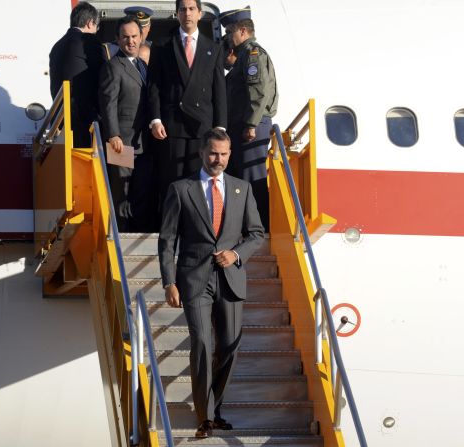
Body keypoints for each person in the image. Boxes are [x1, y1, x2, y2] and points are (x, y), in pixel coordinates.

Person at [158, 129, 264, 438]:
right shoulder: (181, 189)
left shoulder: (242, 189)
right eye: (214, 153)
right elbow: (167, 241)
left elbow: (256, 233)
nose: (219, 160)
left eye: (224, 154)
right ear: (202, 152)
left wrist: (235, 254)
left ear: (230, 155)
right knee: (203, 342)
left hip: (230, 279)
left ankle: (215, 407)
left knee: (230, 344)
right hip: (194, 280)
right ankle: (205, 417)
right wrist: (169, 281)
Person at [148, 0, 227, 209]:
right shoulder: (162, 45)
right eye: (183, 9)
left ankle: (195, 230)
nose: (187, 13)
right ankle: (170, 229)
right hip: (171, 125)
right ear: (177, 14)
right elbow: (154, 85)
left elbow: (219, 89)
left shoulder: (213, 48)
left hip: (202, 127)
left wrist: (220, 126)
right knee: (171, 182)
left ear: (200, 14)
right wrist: (155, 119)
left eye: (192, 9)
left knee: (198, 184)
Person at [220, 6, 278, 230]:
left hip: (251, 125)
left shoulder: (253, 54)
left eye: (230, 31)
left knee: (253, 179)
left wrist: (251, 124)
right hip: (242, 124)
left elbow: (258, 91)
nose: (228, 37)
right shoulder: (243, 56)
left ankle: (260, 228)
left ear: (242, 31)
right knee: (241, 179)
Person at [98, 16, 154, 232]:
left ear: (141, 37)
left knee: (142, 194)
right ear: (117, 40)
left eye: (134, 36)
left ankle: (139, 234)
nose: (130, 41)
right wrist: (113, 135)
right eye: (125, 37)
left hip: (144, 143)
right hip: (121, 142)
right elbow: (108, 103)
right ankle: (122, 239)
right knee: (122, 195)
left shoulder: (143, 65)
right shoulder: (114, 66)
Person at [49, 1, 104, 148]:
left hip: (61, 118)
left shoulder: (57, 46)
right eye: (96, 27)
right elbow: (103, 76)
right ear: (89, 23)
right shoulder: (88, 41)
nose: (96, 31)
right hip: (85, 118)